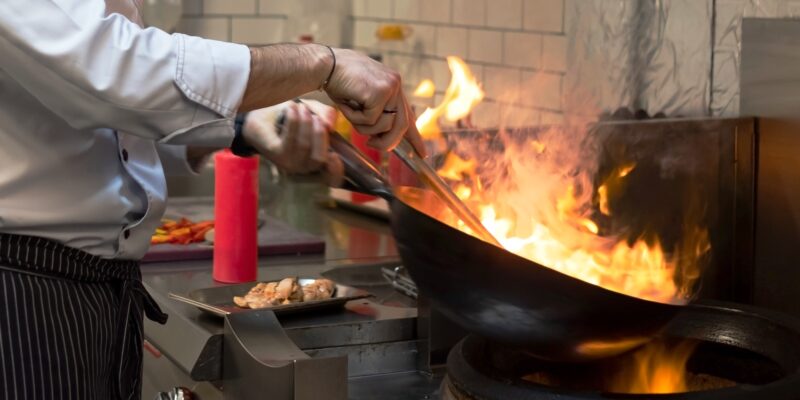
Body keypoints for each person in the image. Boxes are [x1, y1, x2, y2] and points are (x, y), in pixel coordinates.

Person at [0, 1, 424, 399]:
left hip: (86, 288)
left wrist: (247, 127)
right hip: (23, 290)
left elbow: (107, 120)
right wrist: (323, 64)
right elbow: (113, 73)